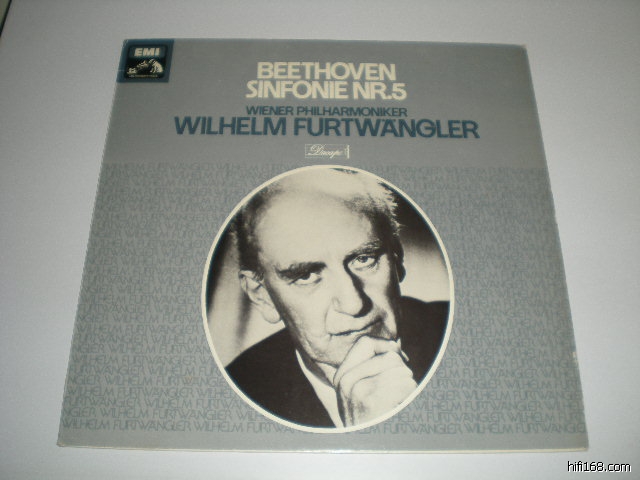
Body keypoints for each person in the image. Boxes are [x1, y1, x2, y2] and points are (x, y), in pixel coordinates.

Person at [223, 167, 449, 429]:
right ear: (262, 296)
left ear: (397, 260)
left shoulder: (457, 332)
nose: (353, 305)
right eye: (306, 275)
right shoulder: (236, 392)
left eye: (364, 259)